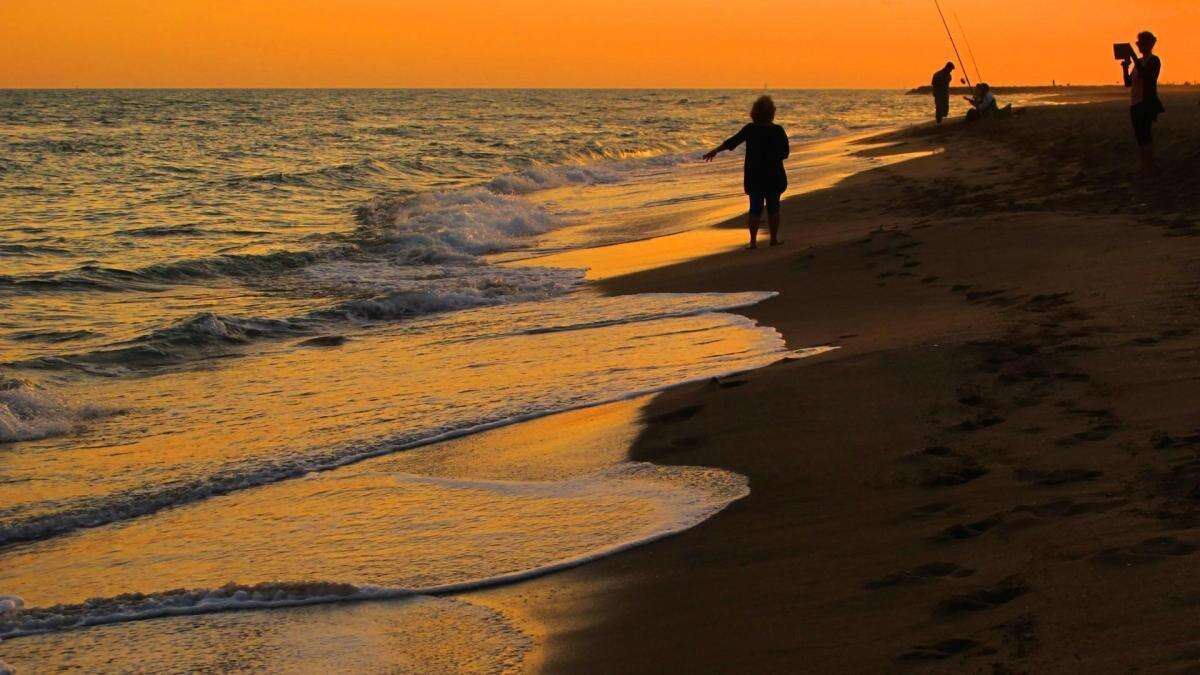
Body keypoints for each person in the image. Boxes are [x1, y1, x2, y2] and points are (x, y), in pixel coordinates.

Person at [703, 95, 790, 249]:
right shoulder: (778, 130)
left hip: (754, 176)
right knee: (773, 207)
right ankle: (773, 239)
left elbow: (732, 142)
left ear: (754, 113)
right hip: (774, 175)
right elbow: (785, 153)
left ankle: (753, 242)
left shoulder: (750, 129)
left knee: (755, 208)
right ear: (772, 113)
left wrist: (715, 150)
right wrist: (772, 156)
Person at [1123, 31, 1164, 173]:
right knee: (1140, 135)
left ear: (1149, 45)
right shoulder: (1138, 62)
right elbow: (1128, 83)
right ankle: (1144, 164)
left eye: (1141, 44)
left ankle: (1149, 164)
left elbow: (1147, 76)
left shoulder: (1154, 60)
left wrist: (1134, 57)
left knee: (1145, 133)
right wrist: (1125, 67)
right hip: (1135, 102)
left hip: (1146, 102)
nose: (1139, 46)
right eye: (1138, 44)